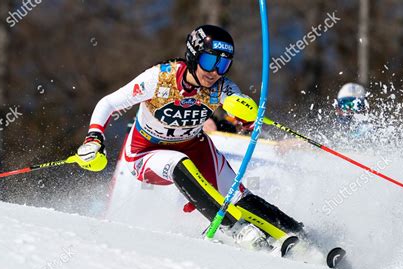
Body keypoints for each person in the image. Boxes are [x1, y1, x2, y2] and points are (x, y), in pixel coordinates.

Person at [75, 25, 303, 251]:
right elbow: (110, 103)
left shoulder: (222, 87)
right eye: (208, 61)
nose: (214, 71)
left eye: (223, 64)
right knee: (176, 162)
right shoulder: (160, 78)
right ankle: (232, 228)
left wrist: (247, 115)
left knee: (237, 195)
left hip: (195, 147)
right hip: (145, 153)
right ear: (193, 56)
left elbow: (240, 104)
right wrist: (94, 137)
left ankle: (301, 236)